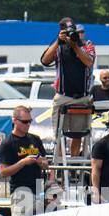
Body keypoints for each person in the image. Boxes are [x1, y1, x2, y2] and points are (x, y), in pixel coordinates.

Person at [0, 106, 50, 216]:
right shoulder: (8, 142)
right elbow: (3, 172)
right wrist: (23, 162)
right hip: (21, 188)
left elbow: (45, 163)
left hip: (38, 186)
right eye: (25, 121)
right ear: (15, 120)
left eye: (30, 121)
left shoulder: (35, 139)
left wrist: (41, 163)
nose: (28, 124)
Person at [40, 17, 96, 157]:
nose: (74, 34)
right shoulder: (58, 46)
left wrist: (75, 45)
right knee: (59, 134)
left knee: (78, 134)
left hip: (82, 96)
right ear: (61, 32)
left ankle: (74, 165)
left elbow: (89, 62)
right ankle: (59, 166)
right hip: (63, 96)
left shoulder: (87, 45)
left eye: (75, 31)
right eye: (67, 31)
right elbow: (45, 61)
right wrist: (58, 42)